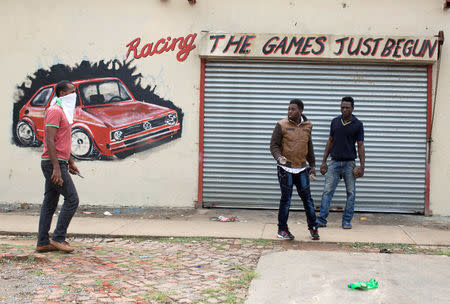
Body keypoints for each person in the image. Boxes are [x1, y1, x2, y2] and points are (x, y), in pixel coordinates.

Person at [36, 80, 81, 253]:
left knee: (50, 202)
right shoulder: (55, 111)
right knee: (72, 199)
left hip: (58, 162)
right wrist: (56, 167)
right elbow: (49, 139)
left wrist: (69, 161)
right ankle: (58, 238)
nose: (75, 94)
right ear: (62, 93)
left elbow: (61, 141)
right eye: (72, 91)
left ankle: (42, 242)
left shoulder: (63, 111)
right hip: (52, 164)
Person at [270, 99, 319, 240]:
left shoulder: (308, 125)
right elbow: (273, 145)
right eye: (289, 109)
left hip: (302, 169)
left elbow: (309, 146)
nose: (289, 111)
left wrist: (313, 165)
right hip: (286, 169)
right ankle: (282, 229)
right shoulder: (281, 125)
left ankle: (313, 228)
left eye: (293, 109)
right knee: (286, 199)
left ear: (301, 111)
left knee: (308, 200)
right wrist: (279, 158)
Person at [317, 96, 365, 229]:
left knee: (351, 193)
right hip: (334, 163)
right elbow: (330, 141)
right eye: (342, 107)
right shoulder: (335, 122)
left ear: (352, 108)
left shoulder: (358, 124)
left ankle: (346, 220)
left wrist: (362, 166)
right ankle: (321, 220)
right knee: (327, 192)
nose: (344, 109)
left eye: (347, 107)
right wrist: (324, 161)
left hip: (350, 164)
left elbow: (360, 146)